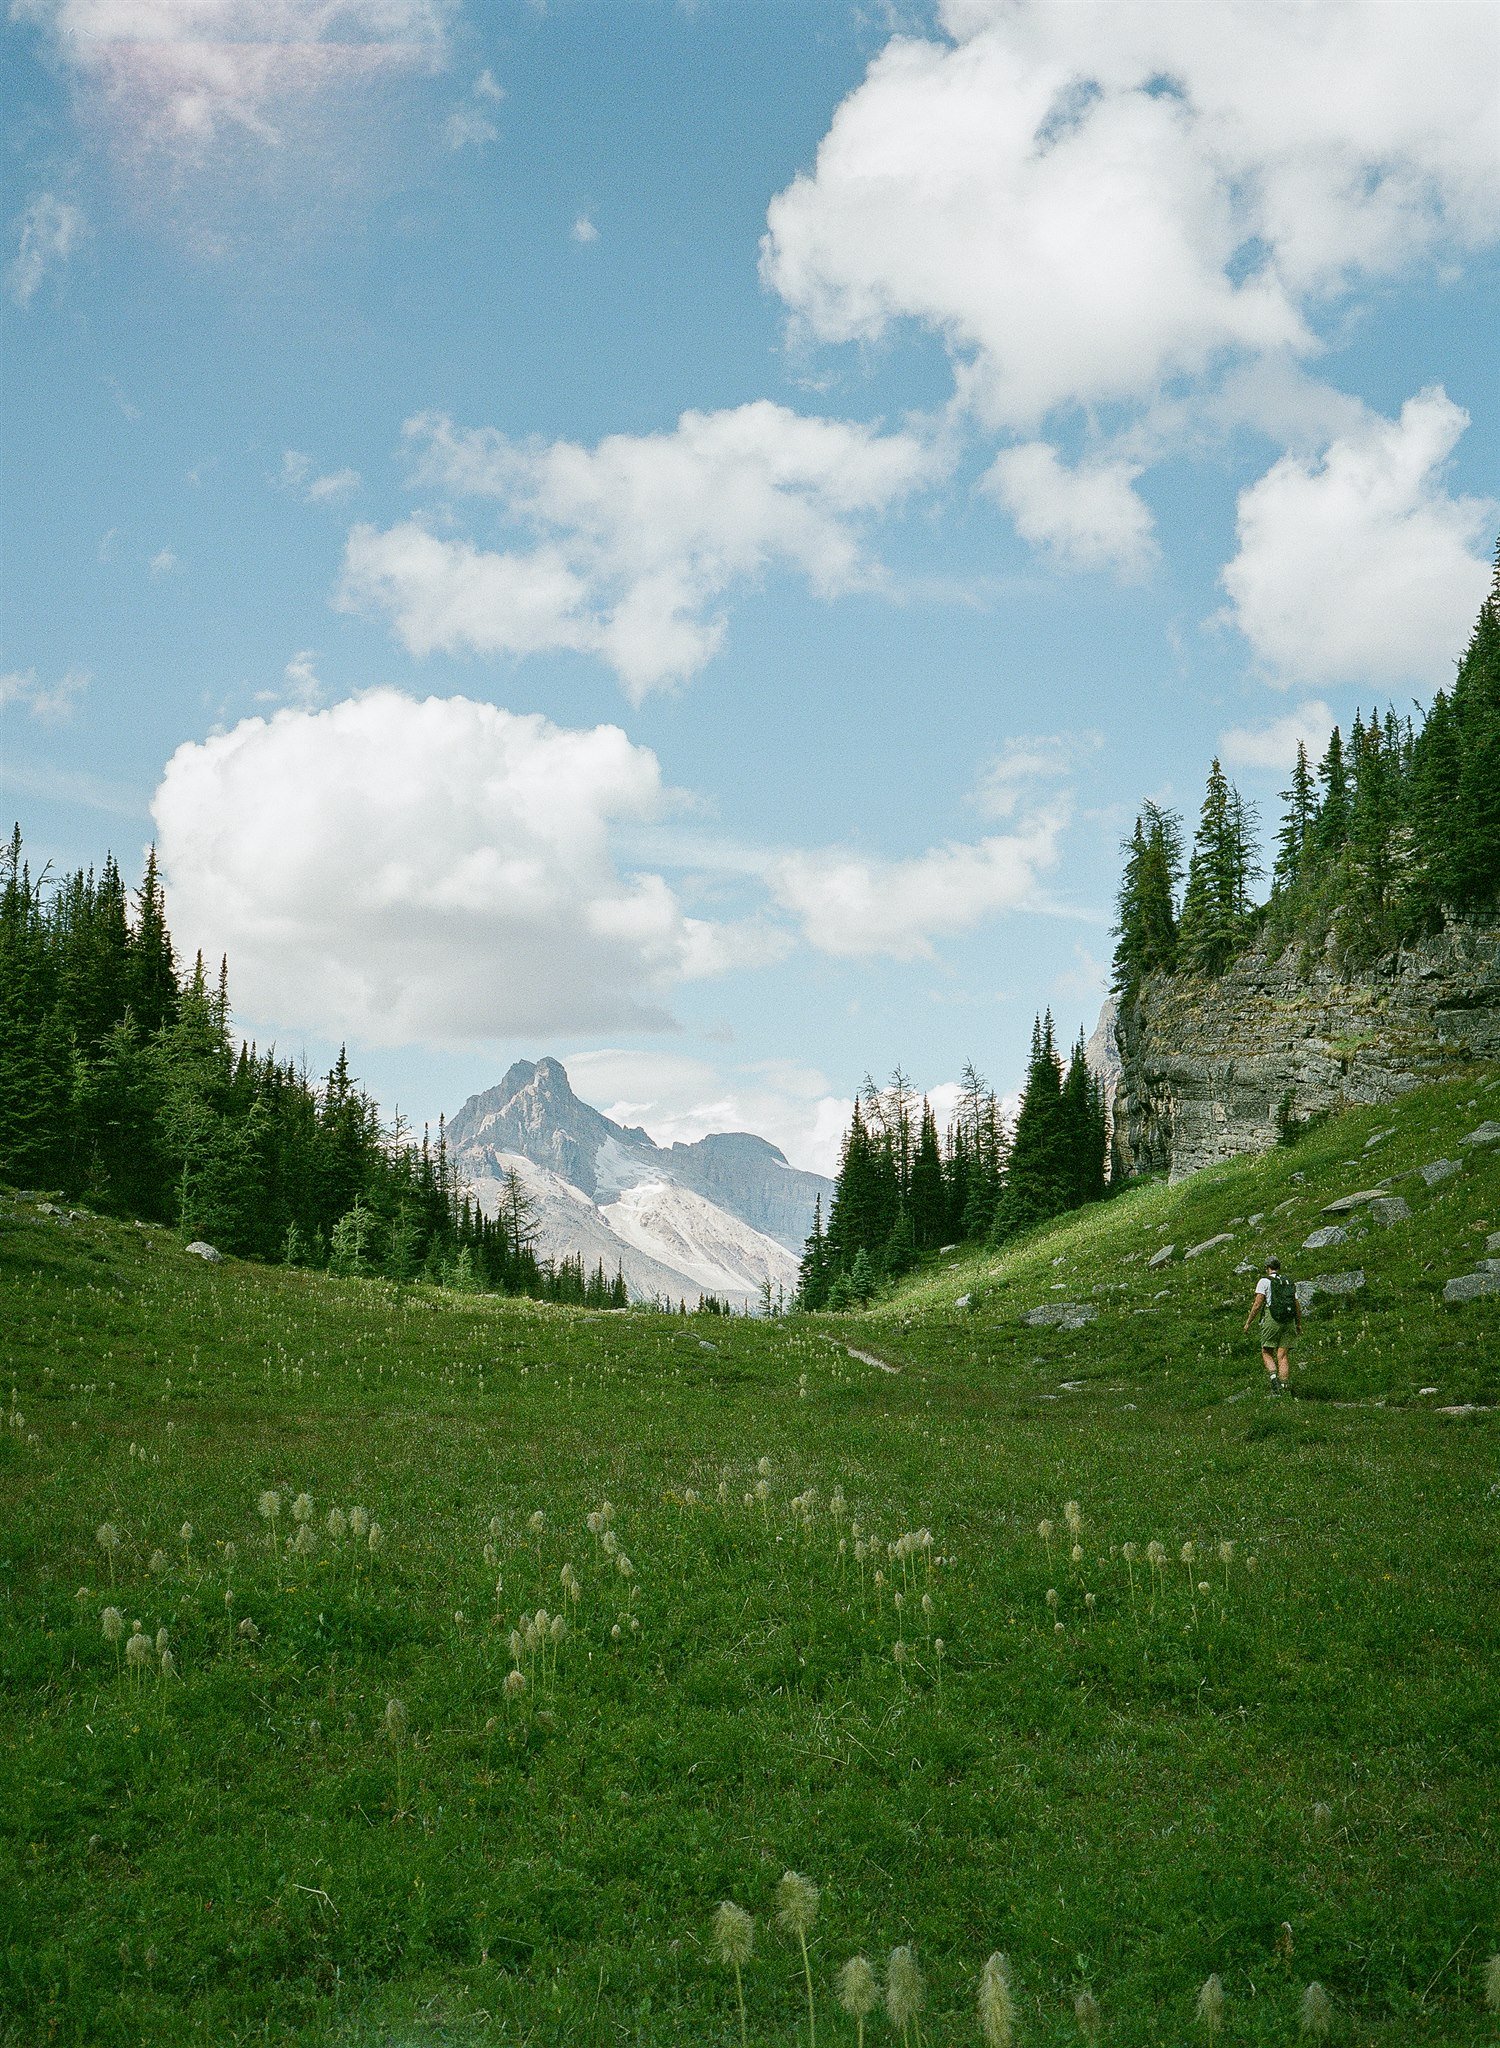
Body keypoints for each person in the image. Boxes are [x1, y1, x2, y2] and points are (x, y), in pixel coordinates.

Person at [1243, 1256, 1301, 1392]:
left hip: (1273, 1320)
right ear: (1279, 1268)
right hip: (1289, 1321)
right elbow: (1297, 1305)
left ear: (1267, 1268)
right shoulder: (1288, 1282)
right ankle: (1285, 1387)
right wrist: (1298, 1324)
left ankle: (1274, 1380)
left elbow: (1257, 1304)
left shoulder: (1264, 1281)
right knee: (1283, 1355)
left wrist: (1248, 1323)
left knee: (1266, 1351)